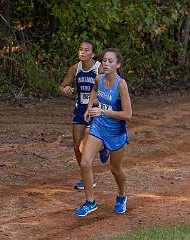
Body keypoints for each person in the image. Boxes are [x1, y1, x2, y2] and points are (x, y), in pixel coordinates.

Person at [74, 48, 132, 216]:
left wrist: (103, 111)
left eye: (110, 61)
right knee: (85, 162)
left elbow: (128, 115)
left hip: (116, 132)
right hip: (98, 127)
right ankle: (90, 202)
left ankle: (121, 196)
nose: (106, 64)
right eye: (104, 61)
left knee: (115, 169)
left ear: (118, 64)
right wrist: (89, 108)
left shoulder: (121, 85)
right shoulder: (99, 79)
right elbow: (94, 91)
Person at [59, 40, 109, 190]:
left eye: (86, 50)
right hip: (80, 111)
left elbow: (111, 87)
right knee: (76, 146)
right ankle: (88, 178)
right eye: (80, 49)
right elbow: (61, 86)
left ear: (93, 54)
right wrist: (64, 89)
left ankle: (102, 147)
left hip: (95, 111)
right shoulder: (75, 69)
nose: (82, 52)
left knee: (83, 146)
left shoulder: (99, 68)